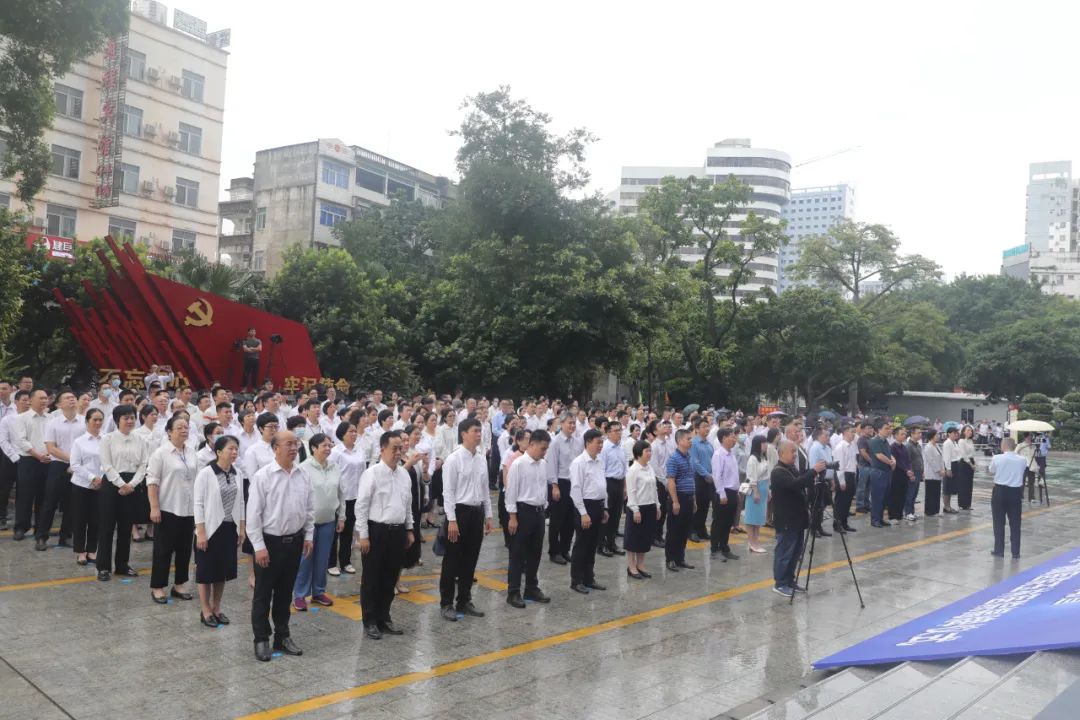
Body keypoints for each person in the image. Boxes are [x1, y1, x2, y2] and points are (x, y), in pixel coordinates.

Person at [247, 430, 315, 662]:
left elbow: (309, 509)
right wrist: (259, 546)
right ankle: (261, 639)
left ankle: (282, 636)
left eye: (296, 444)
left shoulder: (303, 474)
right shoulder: (263, 476)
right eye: (289, 444)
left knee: (285, 593)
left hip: (294, 542)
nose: (294, 448)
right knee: (263, 594)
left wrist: (309, 536)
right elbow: (253, 515)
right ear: (275, 448)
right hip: (270, 543)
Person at [355, 430, 414, 640]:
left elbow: (407, 504)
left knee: (390, 577)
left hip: (397, 531)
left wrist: (409, 529)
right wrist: (363, 535)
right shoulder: (372, 473)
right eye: (394, 448)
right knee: (372, 578)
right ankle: (370, 620)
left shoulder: (404, 474)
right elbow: (361, 506)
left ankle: (384, 616)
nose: (398, 452)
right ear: (382, 449)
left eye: (401, 448)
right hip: (377, 531)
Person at [438, 418, 492, 621]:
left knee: (471, 559)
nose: (479, 434)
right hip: (458, 514)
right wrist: (451, 520)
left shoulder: (481, 459)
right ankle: (446, 603)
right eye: (475, 431)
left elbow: (485, 490)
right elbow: (448, 493)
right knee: (452, 560)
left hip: (476, 513)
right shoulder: (453, 459)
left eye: (480, 431)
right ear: (463, 434)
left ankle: (464, 600)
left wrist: (488, 515)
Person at [193, 435, 246, 627]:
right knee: (205, 571)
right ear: (218, 452)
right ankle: (205, 609)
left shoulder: (237, 473)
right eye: (230, 449)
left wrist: (241, 527)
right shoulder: (206, 473)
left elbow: (241, 501)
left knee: (222, 572)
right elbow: (198, 503)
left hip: (229, 528)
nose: (234, 452)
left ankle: (217, 607)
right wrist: (201, 532)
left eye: (236, 449)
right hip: (209, 529)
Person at [146, 415, 197, 604]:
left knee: (184, 549)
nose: (184, 430)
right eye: (179, 427)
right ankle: (158, 586)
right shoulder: (161, 453)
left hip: (189, 508)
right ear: (169, 432)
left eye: (186, 427)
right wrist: (154, 507)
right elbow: (152, 481)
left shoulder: (191, 451)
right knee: (163, 550)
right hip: (168, 507)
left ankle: (180, 584)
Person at [97, 404, 149, 581]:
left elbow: (143, 465)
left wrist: (132, 484)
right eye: (125, 418)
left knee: (126, 527)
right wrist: (121, 484)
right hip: (112, 484)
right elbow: (106, 465)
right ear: (117, 420)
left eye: (132, 417)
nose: (130, 421)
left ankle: (122, 565)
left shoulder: (140, 439)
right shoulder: (108, 439)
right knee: (106, 527)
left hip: (132, 484)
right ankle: (103, 567)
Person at [770, 440, 826, 597]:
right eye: (792, 451)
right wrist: (813, 471)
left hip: (798, 519)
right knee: (785, 552)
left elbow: (802, 481)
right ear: (781, 453)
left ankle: (790, 580)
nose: (795, 455)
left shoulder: (791, 468)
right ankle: (780, 583)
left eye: (795, 451)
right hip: (787, 520)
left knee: (796, 552)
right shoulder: (778, 472)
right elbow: (795, 484)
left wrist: (814, 476)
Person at [504, 428, 553, 607]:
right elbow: (511, 492)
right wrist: (512, 517)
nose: (544, 452)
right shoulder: (518, 464)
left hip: (539, 512)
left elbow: (543, 488)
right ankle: (513, 592)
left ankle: (531, 588)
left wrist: (544, 507)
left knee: (535, 552)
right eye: (542, 448)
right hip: (522, 512)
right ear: (531, 445)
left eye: (546, 449)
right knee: (517, 553)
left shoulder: (543, 464)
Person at [293, 433, 341, 611]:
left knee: (322, 559)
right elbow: (298, 496)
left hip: (328, 520)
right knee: (305, 559)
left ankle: (318, 591)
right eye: (324, 445)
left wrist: (342, 516)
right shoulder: (303, 468)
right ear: (313, 448)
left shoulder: (334, 467)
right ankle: (299, 594)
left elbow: (340, 492)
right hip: (308, 523)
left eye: (330, 445)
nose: (328, 449)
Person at [40, 389, 84, 549]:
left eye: (73, 397)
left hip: (79, 467)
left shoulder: (84, 422)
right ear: (59, 404)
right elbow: (51, 448)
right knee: (50, 502)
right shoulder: (53, 423)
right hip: (58, 465)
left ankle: (65, 536)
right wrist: (72, 459)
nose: (72, 399)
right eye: (67, 398)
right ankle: (41, 537)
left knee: (73, 503)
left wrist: (77, 463)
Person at [568, 428, 608, 594]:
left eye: (602, 442)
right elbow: (575, 490)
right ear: (588, 443)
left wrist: (605, 507)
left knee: (592, 544)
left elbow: (602, 485)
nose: (601, 445)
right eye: (598, 442)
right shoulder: (579, 463)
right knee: (582, 545)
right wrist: (583, 513)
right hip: (585, 506)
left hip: (598, 505)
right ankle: (576, 580)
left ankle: (589, 578)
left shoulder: (599, 461)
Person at [13, 388, 52, 544]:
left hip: (48, 461)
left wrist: (48, 454)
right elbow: (21, 441)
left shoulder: (51, 418)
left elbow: (54, 440)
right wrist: (37, 455)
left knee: (44, 497)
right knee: (25, 496)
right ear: (31, 400)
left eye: (46, 398)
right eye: (41, 398)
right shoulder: (22, 418)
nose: (44, 401)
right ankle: (21, 527)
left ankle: (40, 530)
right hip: (29, 461)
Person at [328, 422, 364, 577]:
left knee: (348, 531)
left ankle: (345, 562)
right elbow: (331, 473)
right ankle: (331, 563)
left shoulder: (359, 450)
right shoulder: (336, 452)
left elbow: (363, 471)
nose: (354, 434)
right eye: (351, 431)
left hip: (355, 496)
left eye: (355, 431)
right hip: (339, 497)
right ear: (342, 434)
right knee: (335, 532)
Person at [69, 408, 104, 565]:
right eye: (94, 419)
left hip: (101, 484)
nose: (98, 422)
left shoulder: (106, 439)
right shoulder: (79, 441)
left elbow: (108, 461)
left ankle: (92, 550)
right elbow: (75, 465)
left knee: (96, 519)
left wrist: (101, 478)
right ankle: (80, 551)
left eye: (100, 419)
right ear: (87, 421)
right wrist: (92, 478)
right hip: (82, 485)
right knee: (80, 519)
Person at [546, 415, 582, 565]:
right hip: (560, 483)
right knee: (557, 520)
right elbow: (551, 465)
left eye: (574, 423)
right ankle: (554, 552)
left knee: (570, 519)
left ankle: (565, 549)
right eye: (569, 423)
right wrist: (554, 486)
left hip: (574, 483)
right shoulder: (555, 442)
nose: (572, 426)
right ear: (561, 424)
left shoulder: (578, 442)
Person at [624, 439, 659, 577]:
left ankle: (640, 565)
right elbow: (631, 492)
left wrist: (657, 506)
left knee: (645, 538)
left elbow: (654, 489)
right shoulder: (633, 470)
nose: (649, 453)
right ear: (639, 453)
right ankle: (631, 567)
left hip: (650, 506)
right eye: (647, 451)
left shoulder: (650, 468)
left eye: (650, 451)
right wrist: (635, 510)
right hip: (637, 508)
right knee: (633, 538)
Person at [665, 429, 697, 572]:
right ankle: (670, 559)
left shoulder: (689, 457)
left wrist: (694, 500)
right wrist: (675, 501)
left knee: (684, 530)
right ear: (679, 441)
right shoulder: (673, 458)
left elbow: (691, 479)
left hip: (689, 498)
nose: (691, 441)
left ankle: (680, 558)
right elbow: (671, 481)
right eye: (688, 439)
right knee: (674, 530)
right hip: (679, 498)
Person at [989, 437, 1027, 559]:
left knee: (998, 522)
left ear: (1004, 446)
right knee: (1015, 523)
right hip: (1015, 492)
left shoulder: (997, 458)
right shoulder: (1022, 459)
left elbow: (991, 470)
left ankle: (999, 550)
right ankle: (1015, 552)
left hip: (1000, 491)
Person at [709, 428, 740, 560]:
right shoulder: (718, 455)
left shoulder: (731, 454)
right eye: (731, 436)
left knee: (728, 522)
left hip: (732, 492)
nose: (734, 439)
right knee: (719, 521)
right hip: (723, 492)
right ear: (723, 438)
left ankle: (724, 546)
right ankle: (714, 548)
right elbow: (717, 476)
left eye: (734, 436)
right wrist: (722, 494)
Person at [600, 421, 628, 556]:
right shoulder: (604, 448)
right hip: (608, 483)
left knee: (616, 515)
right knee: (606, 515)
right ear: (608, 433)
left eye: (620, 430)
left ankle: (611, 543)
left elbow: (624, 468)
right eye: (616, 431)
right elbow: (601, 470)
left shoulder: (621, 447)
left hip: (619, 483)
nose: (619, 433)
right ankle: (601, 544)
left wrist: (625, 487)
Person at [743, 435, 771, 552]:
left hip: (763, 489)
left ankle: (756, 542)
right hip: (755, 489)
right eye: (763, 443)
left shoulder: (764, 458)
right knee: (751, 518)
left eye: (766, 443)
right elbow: (751, 477)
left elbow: (767, 476)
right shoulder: (753, 459)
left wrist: (768, 491)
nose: (766, 445)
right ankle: (752, 543)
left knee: (758, 518)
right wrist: (756, 492)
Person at [807, 427, 835, 538]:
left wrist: (832, 480)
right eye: (826, 435)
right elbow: (813, 466)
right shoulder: (815, 448)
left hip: (826, 480)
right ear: (819, 436)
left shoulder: (827, 448)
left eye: (829, 435)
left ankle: (819, 527)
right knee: (816, 507)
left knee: (822, 506)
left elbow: (830, 464)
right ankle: (814, 529)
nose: (828, 437)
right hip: (818, 481)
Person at [867, 418, 896, 528]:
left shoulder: (885, 441)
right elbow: (879, 455)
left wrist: (893, 460)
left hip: (886, 471)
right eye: (886, 428)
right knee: (877, 497)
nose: (889, 430)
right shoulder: (875, 441)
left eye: (889, 428)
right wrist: (890, 462)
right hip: (878, 472)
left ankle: (880, 518)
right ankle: (875, 520)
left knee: (884, 497)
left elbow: (889, 454)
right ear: (878, 430)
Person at [689, 418, 714, 543]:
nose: (706, 429)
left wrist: (712, 475)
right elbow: (695, 463)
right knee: (697, 505)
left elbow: (712, 460)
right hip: (698, 478)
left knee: (705, 505)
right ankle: (692, 531)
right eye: (703, 426)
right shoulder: (693, 443)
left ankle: (701, 530)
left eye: (707, 426)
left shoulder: (709, 444)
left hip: (709, 478)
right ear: (697, 429)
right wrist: (706, 475)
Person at [833, 425, 857, 533]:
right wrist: (842, 481)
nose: (853, 434)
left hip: (851, 475)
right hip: (843, 475)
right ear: (845, 433)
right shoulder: (841, 447)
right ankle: (837, 524)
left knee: (847, 502)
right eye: (852, 432)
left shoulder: (852, 445)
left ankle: (844, 523)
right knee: (840, 502)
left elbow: (853, 462)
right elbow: (840, 466)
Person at [887, 427, 912, 523]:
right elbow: (896, 462)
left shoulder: (904, 447)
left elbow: (908, 460)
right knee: (894, 495)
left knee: (902, 494)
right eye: (902, 434)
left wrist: (909, 469)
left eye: (905, 434)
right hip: (896, 474)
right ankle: (892, 516)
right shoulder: (892, 447)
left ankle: (899, 515)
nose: (904, 436)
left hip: (905, 475)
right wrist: (906, 470)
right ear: (895, 435)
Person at [922, 429, 945, 516]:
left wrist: (943, 469)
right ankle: (929, 511)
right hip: (931, 473)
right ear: (932, 436)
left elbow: (940, 459)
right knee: (930, 493)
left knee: (936, 493)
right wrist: (939, 470)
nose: (938, 436)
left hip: (939, 473)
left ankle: (936, 510)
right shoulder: (928, 447)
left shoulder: (936, 445)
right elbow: (931, 461)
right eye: (937, 435)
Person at [940, 426, 961, 514]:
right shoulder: (947, 443)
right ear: (949, 434)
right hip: (950, 465)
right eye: (954, 433)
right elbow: (946, 457)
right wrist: (948, 469)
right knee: (947, 487)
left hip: (955, 465)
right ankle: (946, 506)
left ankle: (948, 505)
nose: (956, 434)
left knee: (951, 487)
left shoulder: (954, 442)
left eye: (956, 433)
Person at [905, 427, 924, 521]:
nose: (920, 434)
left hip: (918, 472)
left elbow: (920, 459)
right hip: (912, 472)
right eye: (918, 433)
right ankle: (907, 512)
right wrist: (910, 473)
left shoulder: (918, 445)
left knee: (915, 493)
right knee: (910, 492)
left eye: (920, 433)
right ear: (912, 434)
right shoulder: (908, 446)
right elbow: (907, 461)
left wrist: (922, 471)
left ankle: (912, 512)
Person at [957, 425, 977, 511]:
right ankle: (962, 504)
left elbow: (973, 453)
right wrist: (971, 464)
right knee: (963, 484)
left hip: (971, 461)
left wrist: (974, 463)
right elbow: (963, 455)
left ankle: (968, 504)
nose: (970, 432)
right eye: (968, 430)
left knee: (969, 484)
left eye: (971, 431)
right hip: (964, 463)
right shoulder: (961, 441)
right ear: (963, 432)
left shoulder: (970, 441)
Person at [241, 327, 262, 393]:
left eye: (254, 331)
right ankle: (244, 388)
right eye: (251, 331)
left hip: (256, 359)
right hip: (247, 359)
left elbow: (260, 349)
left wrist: (251, 348)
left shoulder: (258, 340)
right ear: (248, 332)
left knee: (255, 375)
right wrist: (255, 349)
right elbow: (245, 349)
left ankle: (254, 388)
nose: (253, 332)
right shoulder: (245, 340)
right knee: (245, 374)